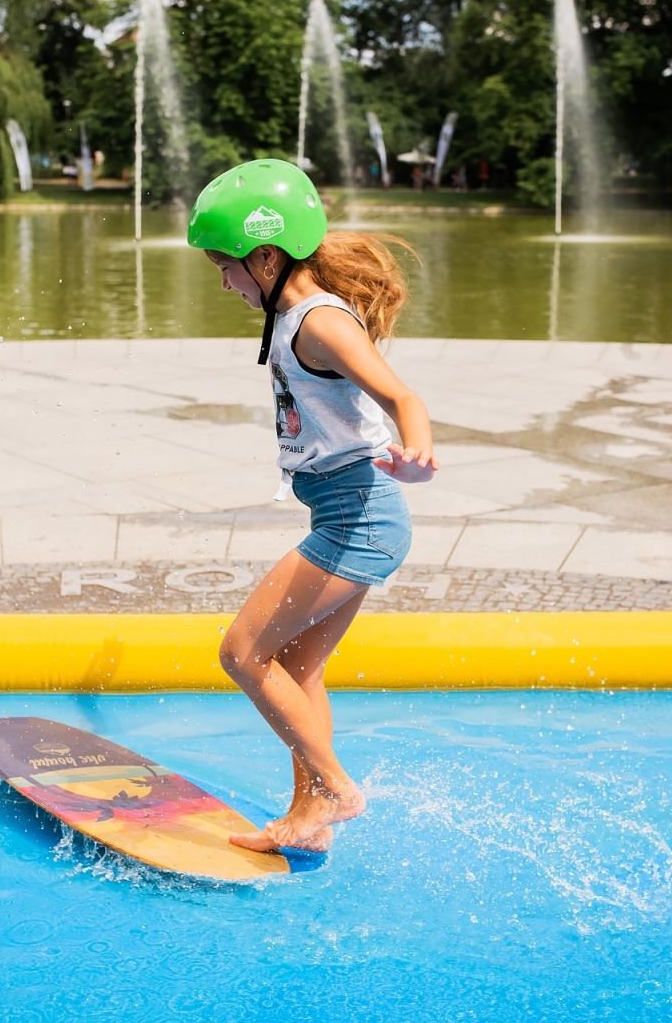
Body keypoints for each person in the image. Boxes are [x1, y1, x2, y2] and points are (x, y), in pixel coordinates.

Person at [186, 159, 438, 853]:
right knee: (296, 668)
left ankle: (333, 787)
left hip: (362, 516)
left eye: (227, 266)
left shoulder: (319, 323)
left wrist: (416, 449)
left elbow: (401, 396)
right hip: (347, 515)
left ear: (266, 256)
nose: (224, 281)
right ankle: (308, 819)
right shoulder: (296, 315)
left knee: (242, 653)